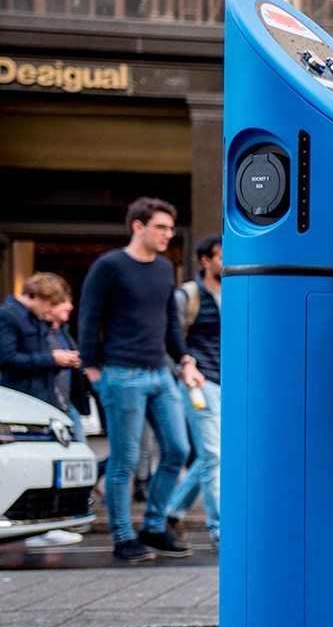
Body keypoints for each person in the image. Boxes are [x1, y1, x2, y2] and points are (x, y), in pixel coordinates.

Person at [77, 197, 204, 562]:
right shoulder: (109, 266)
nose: (168, 234)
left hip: (160, 375)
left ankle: (153, 527)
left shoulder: (165, 268)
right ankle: (122, 536)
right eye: (161, 227)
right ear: (138, 226)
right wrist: (92, 369)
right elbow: (88, 318)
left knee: (178, 450)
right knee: (126, 459)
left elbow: (170, 325)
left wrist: (184, 360)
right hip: (121, 374)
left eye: (170, 228)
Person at [0, 273, 90, 548]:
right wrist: (52, 358)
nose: (50, 311)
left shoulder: (37, 320)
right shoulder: (9, 316)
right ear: (35, 297)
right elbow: (7, 358)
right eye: (49, 304)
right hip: (22, 399)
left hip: (43, 402)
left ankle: (48, 523)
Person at [164, 234, 222, 552]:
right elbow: (171, 338)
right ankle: (219, 530)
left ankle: (170, 511)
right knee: (213, 455)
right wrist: (184, 370)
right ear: (205, 260)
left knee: (212, 457)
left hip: (231, 384)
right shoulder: (187, 295)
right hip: (200, 383)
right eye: (221, 256)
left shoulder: (237, 289)